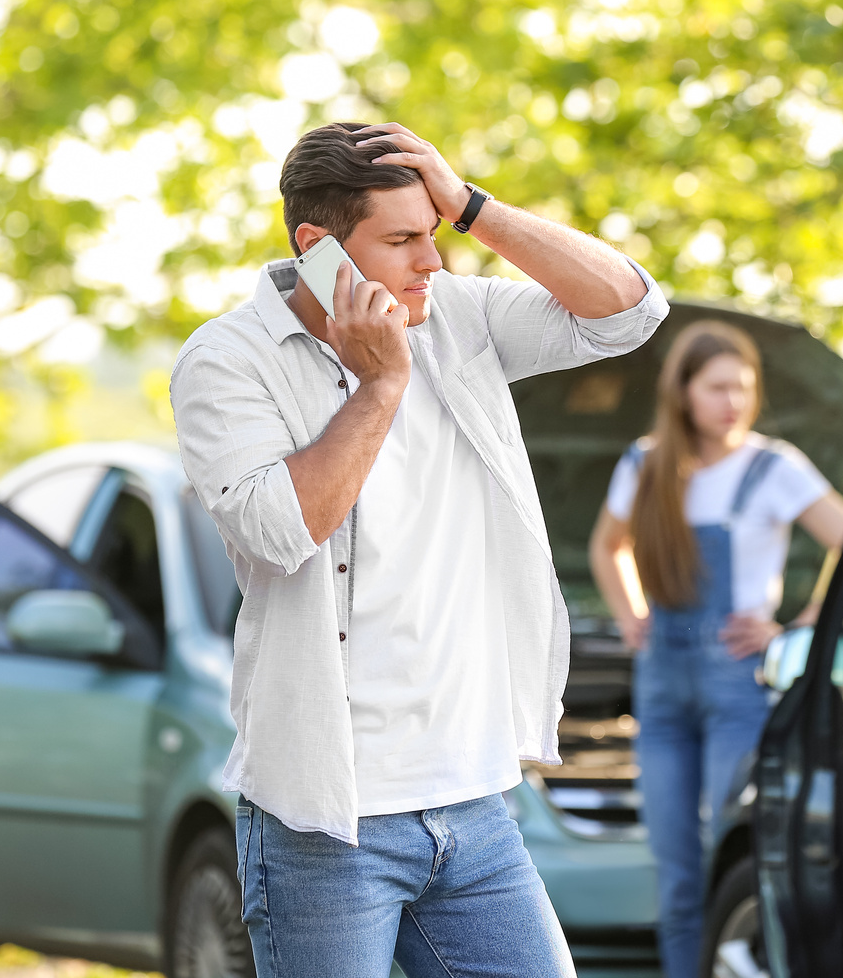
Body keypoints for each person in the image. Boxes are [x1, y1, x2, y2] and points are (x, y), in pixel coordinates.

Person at [171, 121, 668, 978]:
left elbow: (628, 313)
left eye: (432, 233)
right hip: (326, 821)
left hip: (473, 807)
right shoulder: (225, 360)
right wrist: (383, 384)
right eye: (402, 241)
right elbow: (282, 528)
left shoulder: (460, 317)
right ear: (318, 248)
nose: (429, 262)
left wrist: (473, 207)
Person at [587, 321, 843, 978]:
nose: (733, 401)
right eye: (717, 388)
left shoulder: (773, 466)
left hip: (740, 688)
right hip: (662, 685)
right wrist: (632, 616)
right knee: (676, 870)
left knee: (728, 859)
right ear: (683, 392)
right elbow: (606, 546)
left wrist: (796, 628)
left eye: (744, 387)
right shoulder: (645, 462)